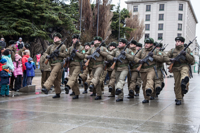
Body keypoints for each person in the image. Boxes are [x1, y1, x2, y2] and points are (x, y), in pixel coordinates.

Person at [166, 37, 195, 105]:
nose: (177, 42)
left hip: (184, 66)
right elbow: (165, 58)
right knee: (177, 84)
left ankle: (184, 82)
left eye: (179, 41)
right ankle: (179, 98)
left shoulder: (187, 50)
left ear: (182, 43)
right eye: (176, 41)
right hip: (175, 68)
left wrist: (186, 54)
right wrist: (171, 60)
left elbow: (192, 61)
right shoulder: (172, 50)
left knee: (184, 76)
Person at [134, 38, 163, 103]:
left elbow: (161, 58)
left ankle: (149, 89)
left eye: (148, 43)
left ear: (151, 44)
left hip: (151, 68)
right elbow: (135, 57)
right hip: (143, 69)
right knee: (144, 84)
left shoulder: (155, 51)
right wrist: (139, 61)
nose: (146, 45)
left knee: (149, 80)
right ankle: (146, 98)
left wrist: (153, 56)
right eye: (145, 43)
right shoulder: (141, 50)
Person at [41, 33, 67, 99]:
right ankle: (57, 93)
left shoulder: (63, 46)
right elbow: (45, 53)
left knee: (52, 74)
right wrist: (47, 56)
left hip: (59, 63)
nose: (55, 38)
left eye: (57, 37)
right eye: (54, 37)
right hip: (51, 63)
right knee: (56, 79)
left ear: (60, 39)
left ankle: (46, 87)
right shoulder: (51, 46)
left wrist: (59, 53)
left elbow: (66, 54)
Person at [65, 34, 85, 99]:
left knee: (73, 76)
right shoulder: (70, 48)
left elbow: (82, 56)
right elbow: (66, 55)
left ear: (78, 39)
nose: (73, 40)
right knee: (74, 80)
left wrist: (76, 52)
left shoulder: (81, 48)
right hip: (71, 65)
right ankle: (76, 93)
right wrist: (67, 58)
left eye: (75, 39)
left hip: (77, 64)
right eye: (73, 39)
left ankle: (68, 86)